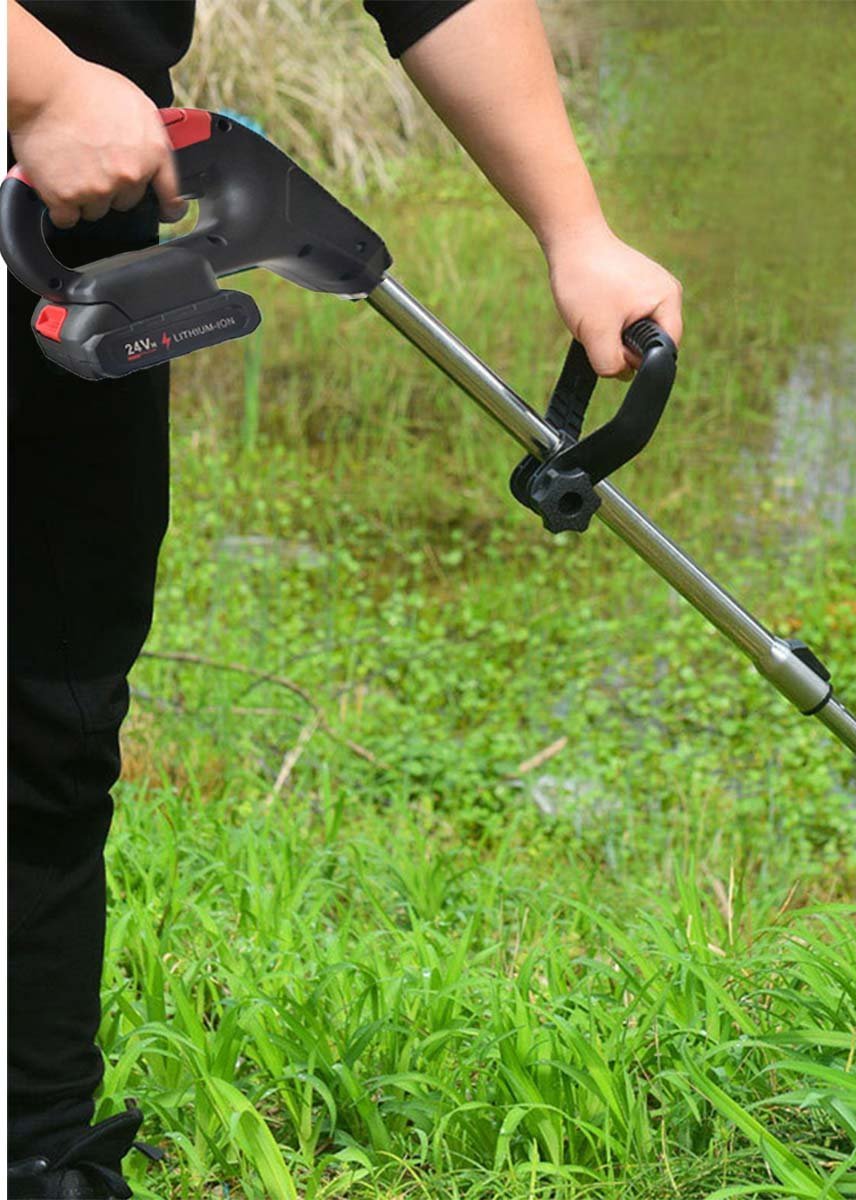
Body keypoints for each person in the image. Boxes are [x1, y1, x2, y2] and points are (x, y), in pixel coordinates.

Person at [5, 1, 684, 1194]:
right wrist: (40, 78)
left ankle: (36, 1150)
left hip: (76, 205)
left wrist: (577, 230)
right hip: (59, 121)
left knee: (50, 723)